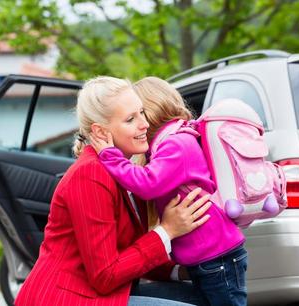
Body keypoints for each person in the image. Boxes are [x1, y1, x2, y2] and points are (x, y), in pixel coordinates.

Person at [14, 76, 212, 306]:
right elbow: (105, 276)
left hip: (105, 294)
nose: (144, 124)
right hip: (68, 299)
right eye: (130, 119)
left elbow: (130, 253)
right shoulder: (90, 175)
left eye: (142, 113)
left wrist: (182, 272)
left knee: (207, 297)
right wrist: (167, 231)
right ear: (100, 132)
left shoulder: (128, 171)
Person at [90, 76, 248, 306]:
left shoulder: (176, 143)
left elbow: (146, 184)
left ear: (150, 111)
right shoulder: (173, 140)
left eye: (139, 114)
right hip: (211, 256)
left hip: (217, 257)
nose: (139, 123)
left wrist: (110, 156)